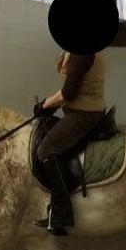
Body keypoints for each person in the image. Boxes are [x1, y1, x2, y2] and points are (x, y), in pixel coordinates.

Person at [33, 49, 107, 235]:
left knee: (46, 149)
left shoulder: (82, 52)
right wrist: (51, 105)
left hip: (83, 112)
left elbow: (69, 92)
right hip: (86, 109)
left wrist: (45, 104)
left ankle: (61, 214)